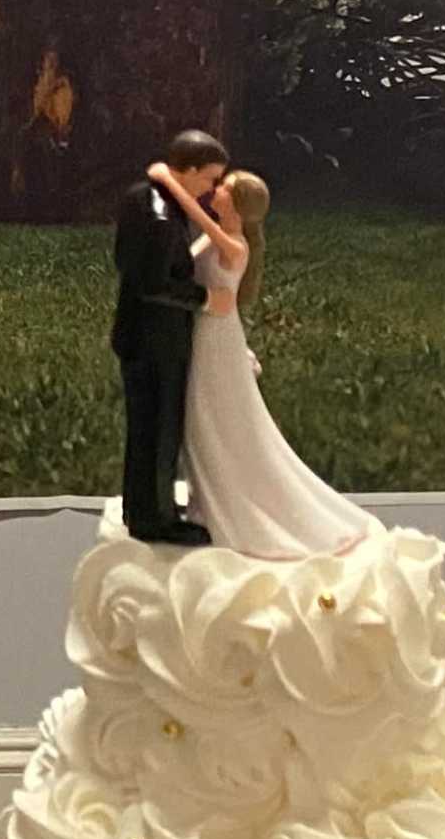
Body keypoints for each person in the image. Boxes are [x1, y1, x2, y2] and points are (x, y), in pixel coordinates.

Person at [148, 152, 379, 560]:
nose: (216, 191)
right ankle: (206, 498)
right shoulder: (222, 235)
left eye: (224, 189)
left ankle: (233, 504)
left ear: (236, 206)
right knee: (203, 419)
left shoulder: (233, 245)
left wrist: (171, 183)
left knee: (215, 418)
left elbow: (199, 223)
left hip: (215, 341)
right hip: (206, 335)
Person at [108, 130, 227, 545]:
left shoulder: (142, 198)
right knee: (159, 430)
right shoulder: (160, 216)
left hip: (141, 336)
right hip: (156, 340)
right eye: (209, 179)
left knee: (147, 428)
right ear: (190, 171)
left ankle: (144, 505)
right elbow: (154, 282)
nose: (211, 190)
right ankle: (155, 517)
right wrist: (205, 297)